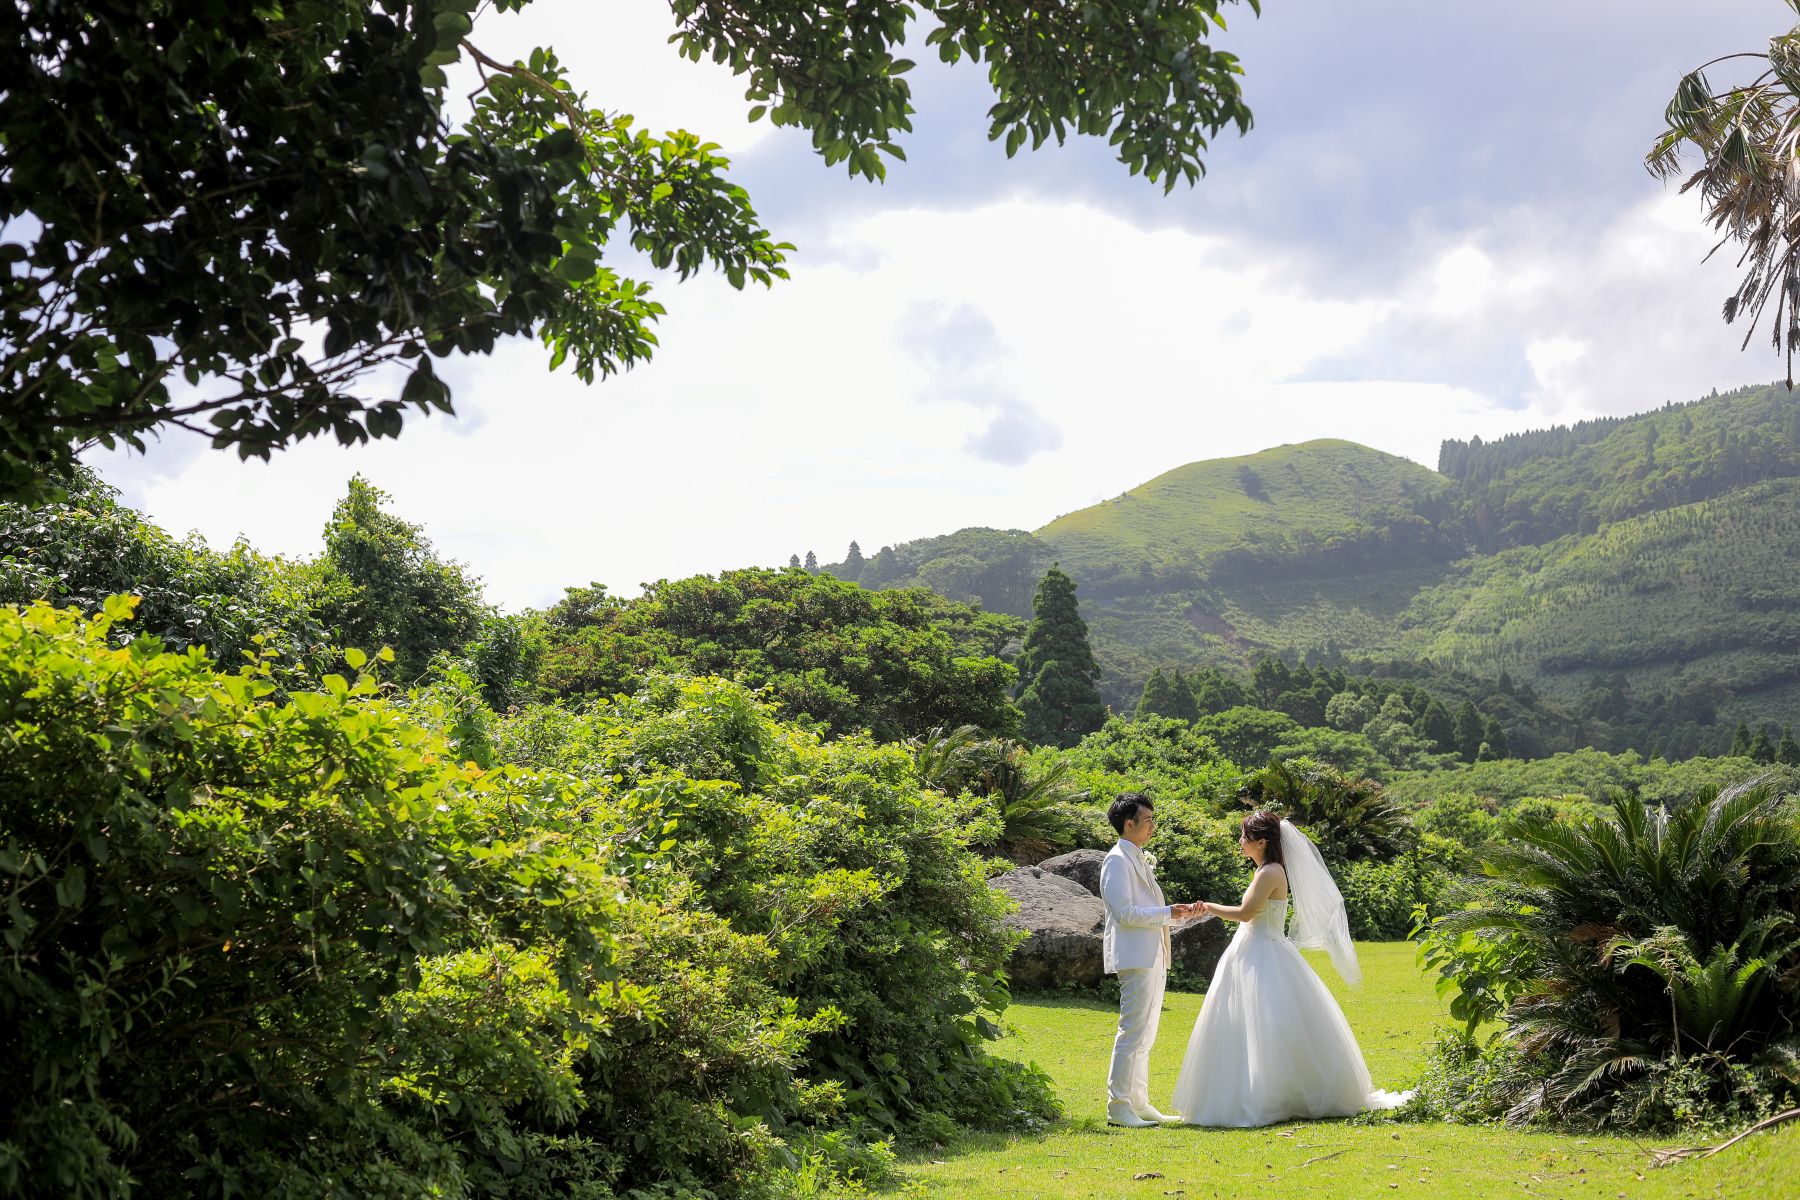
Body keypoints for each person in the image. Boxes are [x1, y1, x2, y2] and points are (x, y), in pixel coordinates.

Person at [1169, 810, 1409, 1127]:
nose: (1241, 842)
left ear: (1262, 841)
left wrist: (1206, 907)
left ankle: (1269, 1095)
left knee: (1267, 1025)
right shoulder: (1266, 871)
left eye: (1245, 836)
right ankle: (1248, 1091)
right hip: (1253, 950)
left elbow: (1245, 913)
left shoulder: (1270, 872)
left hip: (1262, 950)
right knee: (1247, 1025)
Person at [1099, 792, 1199, 1127]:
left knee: (1148, 1033)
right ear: (1129, 824)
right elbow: (1124, 912)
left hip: (1154, 953)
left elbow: (1147, 908)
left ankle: (1139, 1102)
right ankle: (1118, 1106)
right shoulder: (1116, 860)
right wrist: (1167, 912)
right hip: (1134, 954)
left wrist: (1173, 915)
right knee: (1132, 1031)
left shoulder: (1138, 857)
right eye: (1148, 820)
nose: (1152, 826)